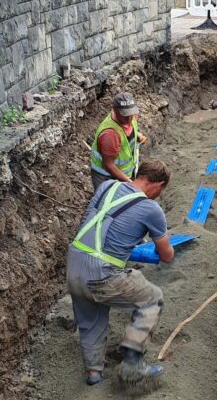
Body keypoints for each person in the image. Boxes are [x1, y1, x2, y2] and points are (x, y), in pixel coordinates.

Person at [67, 158, 174, 387]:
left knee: (91, 320)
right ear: (158, 185)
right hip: (101, 274)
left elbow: (105, 222)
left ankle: (94, 373)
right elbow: (166, 255)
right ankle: (132, 362)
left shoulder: (107, 186)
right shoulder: (151, 208)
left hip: (74, 264)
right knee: (152, 299)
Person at [90, 92, 147, 192]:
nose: (129, 118)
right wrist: (131, 184)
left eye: (131, 114)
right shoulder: (110, 134)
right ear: (115, 110)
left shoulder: (132, 115)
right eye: (125, 115)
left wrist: (137, 134)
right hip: (106, 178)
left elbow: (129, 127)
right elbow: (108, 165)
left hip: (125, 174)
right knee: (107, 204)